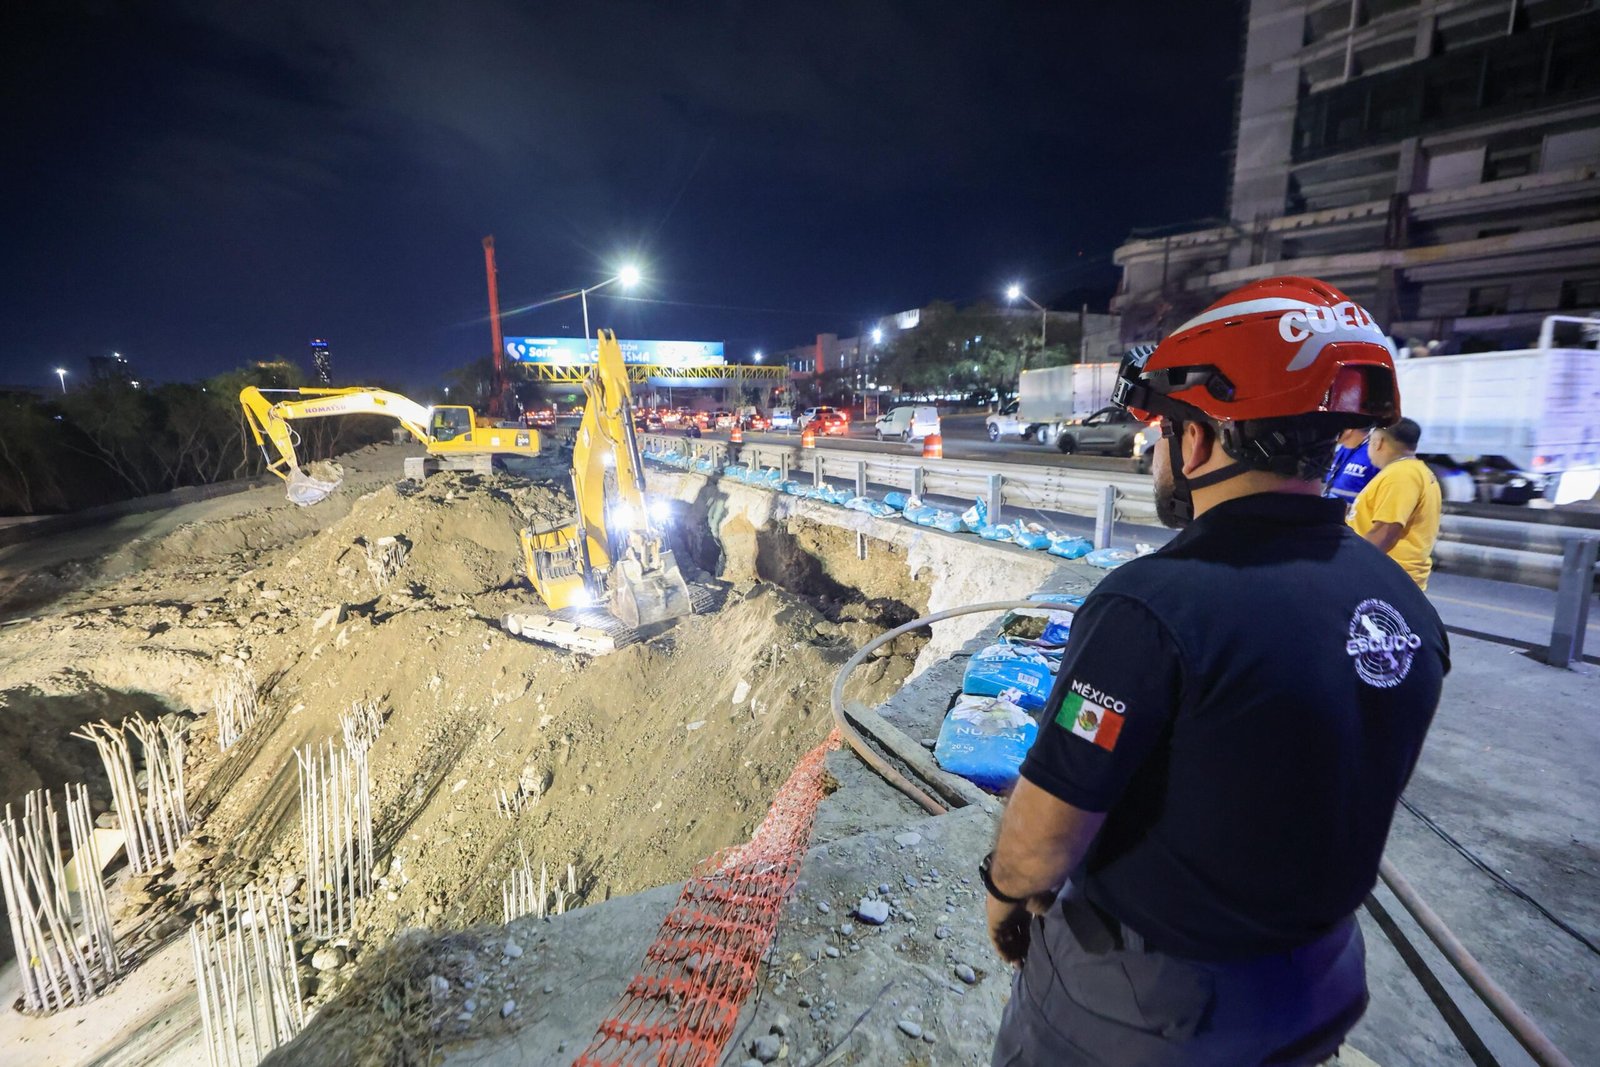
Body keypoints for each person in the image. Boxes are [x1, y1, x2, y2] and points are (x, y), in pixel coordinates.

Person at [984, 277, 1449, 1066]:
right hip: (1317, 990)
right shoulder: (1400, 606)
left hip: (1145, 1016)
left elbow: (1046, 835)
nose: (1156, 453)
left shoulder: (1153, 605)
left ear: (1197, 441)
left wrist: (1002, 895)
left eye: (1164, 430)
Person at [1347, 417, 1441, 590]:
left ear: (1378, 442)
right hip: (1391, 576)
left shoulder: (1401, 475)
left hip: (1386, 578)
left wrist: (1349, 565)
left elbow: (1386, 531)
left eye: (1370, 442)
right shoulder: (1415, 471)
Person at [1324, 427, 1376, 506]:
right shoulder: (1344, 447)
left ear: (1349, 430)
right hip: (1330, 505)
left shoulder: (1374, 453)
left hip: (1354, 512)